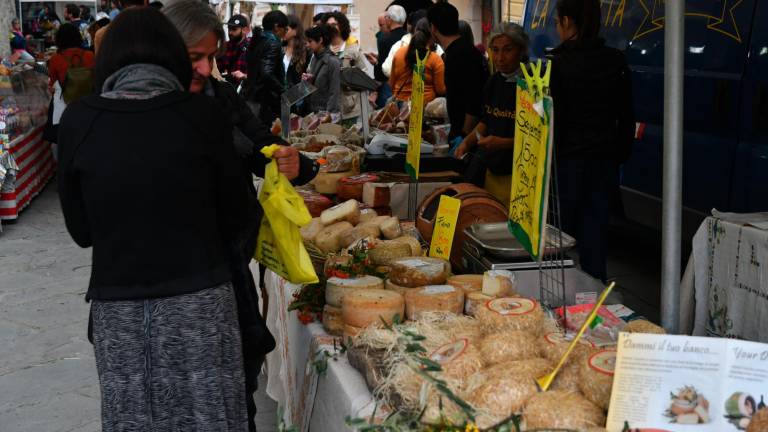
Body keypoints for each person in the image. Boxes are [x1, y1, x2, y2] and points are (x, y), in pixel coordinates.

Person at [57, 7, 249, 431]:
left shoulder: (80, 120)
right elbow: (238, 213)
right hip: (199, 302)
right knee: (208, 414)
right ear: (174, 56)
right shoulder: (202, 116)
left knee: (133, 417)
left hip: (118, 307)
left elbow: (81, 231)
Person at [163, 3, 318, 431]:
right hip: (175, 281)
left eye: (210, 57)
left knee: (237, 392)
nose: (204, 67)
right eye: (194, 56)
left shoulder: (220, 98)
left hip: (229, 268)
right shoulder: (150, 111)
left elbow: (261, 144)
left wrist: (295, 161)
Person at [549, 0, 634, 281]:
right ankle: (593, 299)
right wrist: (618, 153)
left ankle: (560, 301)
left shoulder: (559, 63)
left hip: (567, 162)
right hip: (603, 161)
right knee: (595, 234)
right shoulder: (615, 60)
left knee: (558, 237)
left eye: (557, 22)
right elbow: (626, 114)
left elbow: (554, 120)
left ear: (567, 22)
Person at [455, 23, 529, 202]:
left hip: (522, 176)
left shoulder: (531, 85)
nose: (500, 57)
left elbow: (535, 139)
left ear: (521, 50)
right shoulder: (493, 82)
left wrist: (502, 143)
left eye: (507, 50)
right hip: (493, 170)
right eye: (495, 50)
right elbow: (486, 121)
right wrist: (466, 143)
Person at [427, 2, 487, 144]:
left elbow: (473, 99)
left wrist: (464, 136)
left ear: (433, 28)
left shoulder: (458, 55)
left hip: (468, 135)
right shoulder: (463, 50)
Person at [323, 11, 373, 121]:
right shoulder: (323, 51)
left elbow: (364, 75)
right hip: (328, 109)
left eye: (334, 25)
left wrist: (352, 83)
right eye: (328, 25)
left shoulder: (354, 50)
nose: (331, 28)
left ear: (342, 26)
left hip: (351, 108)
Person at [243, 10, 288, 124]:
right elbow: (267, 73)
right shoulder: (273, 43)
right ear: (277, 27)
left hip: (253, 96)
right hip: (266, 101)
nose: (285, 32)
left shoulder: (257, 39)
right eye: (285, 29)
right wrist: (283, 91)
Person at [388, 18, 445, 104]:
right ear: (433, 35)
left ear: (414, 31)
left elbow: (391, 84)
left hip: (400, 108)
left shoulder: (399, 53)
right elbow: (441, 90)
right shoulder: (435, 59)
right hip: (425, 107)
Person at [366, 5, 407, 107]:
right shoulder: (408, 38)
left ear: (389, 19)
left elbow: (382, 72)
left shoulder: (385, 40)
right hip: (407, 85)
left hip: (389, 86)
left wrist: (375, 63)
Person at [304, 24, 341, 115]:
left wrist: (329, 115)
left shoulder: (333, 62)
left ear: (320, 40)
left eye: (310, 41)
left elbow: (334, 92)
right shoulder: (314, 58)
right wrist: (307, 81)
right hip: (313, 112)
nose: (307, 45)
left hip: (325, 114)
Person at [48, 23, 95, 89]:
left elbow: (52, 83)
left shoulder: (55, 59)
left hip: (67, 97)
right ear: (78, 36)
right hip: (89, 95)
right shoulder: (90, 55)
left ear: (59, 38)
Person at [217, 14, 250, 86]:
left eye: (234, 29)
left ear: (244, 30)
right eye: (229, 28)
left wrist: (244, 76)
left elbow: (260, 75)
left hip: (245, 91)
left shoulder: (252, 47)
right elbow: (217, 67)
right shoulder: (225, 47)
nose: (230, 33)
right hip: (229, 89)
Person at [284, 15, 311, 91]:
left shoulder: (306, 49)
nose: (283, 32)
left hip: (297, 94)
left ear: (295, 30)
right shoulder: (280, 47)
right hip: (280, 93)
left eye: (286, 29)